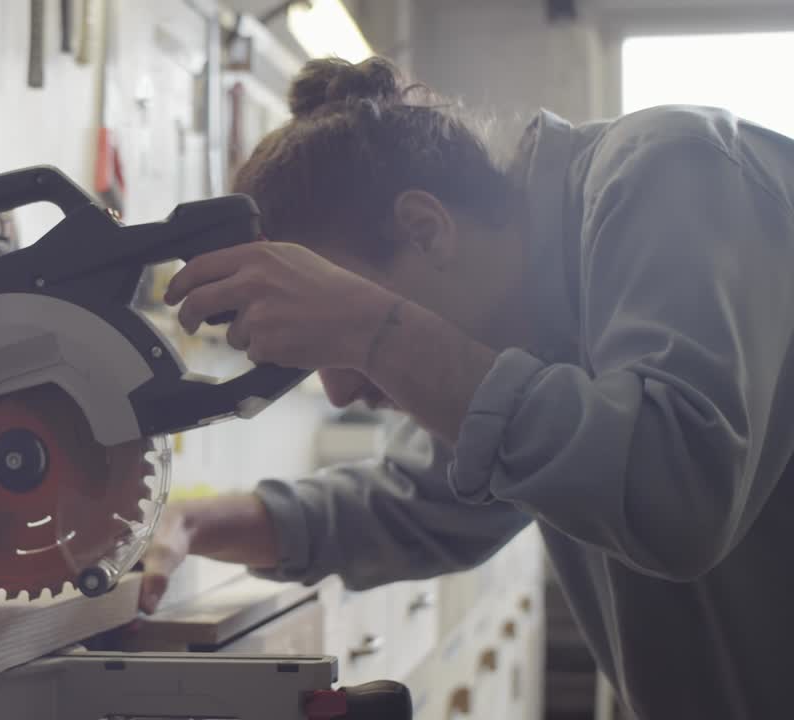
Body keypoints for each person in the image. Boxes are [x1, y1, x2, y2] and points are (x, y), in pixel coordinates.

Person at [143, 56, 794, 720]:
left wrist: (373, 331)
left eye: (332, 335)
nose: (336, 392)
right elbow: (425, 502)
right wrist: (191, 521)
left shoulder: (675, 172)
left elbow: (678, 486)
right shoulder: (531, 328)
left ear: (425, 229)